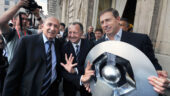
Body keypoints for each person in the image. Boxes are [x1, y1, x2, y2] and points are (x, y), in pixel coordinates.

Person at [87, 8, 169, 95]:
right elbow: (93, 66)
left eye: (108, 20)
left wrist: (158, 73)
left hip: (131, 90)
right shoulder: (97, 44)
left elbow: (152, 64)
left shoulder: (140, 40)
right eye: (102, 22)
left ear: (118, 19)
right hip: (105, 89)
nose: (105, 25)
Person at [61, 22, 94, 96]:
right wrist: (80, 78)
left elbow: (93, 65)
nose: (72, 35)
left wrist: (75, 70)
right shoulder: (63, 47)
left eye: (75, 32)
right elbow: (63, 70)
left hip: (87, 83)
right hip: (70, 83)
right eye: (70, 32)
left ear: (81, 33)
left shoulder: (90, 45)